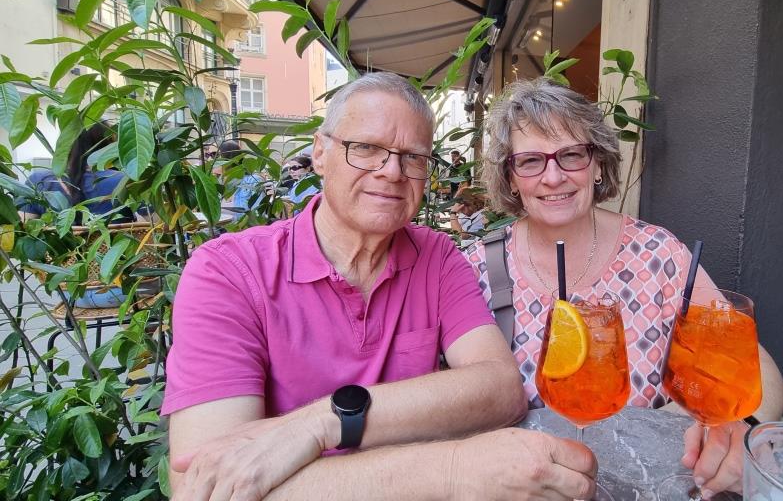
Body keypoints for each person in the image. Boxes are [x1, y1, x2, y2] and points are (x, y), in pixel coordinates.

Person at [163, 72, 595, 500]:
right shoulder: (228, 272)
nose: (391, 172)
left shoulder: (436, 256)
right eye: (366, 148)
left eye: (413, 157)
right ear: (320, 153)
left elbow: (501, 388)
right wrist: (452, 470)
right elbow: (206, 489)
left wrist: (321, 423)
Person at [466, 78, 783, 497]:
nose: (553, 176)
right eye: (530, 161)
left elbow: (750, 363)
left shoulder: (656, 253)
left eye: (572, 155)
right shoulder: (476, 268)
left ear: (598, 165)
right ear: (510, 178)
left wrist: (740, 427)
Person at [17, 122, 136, 223]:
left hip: (59, 244)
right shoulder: (125, 181)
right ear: (109, 147)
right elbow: (145, 229)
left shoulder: (39, 181)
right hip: (114, 243)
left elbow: (23, 228)